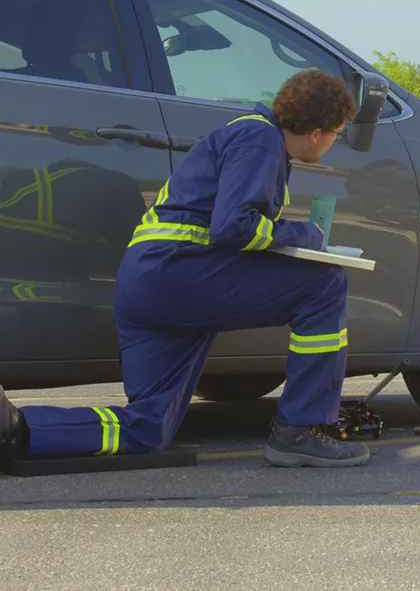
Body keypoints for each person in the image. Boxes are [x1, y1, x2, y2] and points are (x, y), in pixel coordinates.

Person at [0, 68, 369, 468]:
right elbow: (233, 226)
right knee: (325, 283)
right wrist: (308, 235)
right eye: (338, 133)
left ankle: (15, 427)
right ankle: (301, 429)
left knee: (145, 429)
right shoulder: (261, 138)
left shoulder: (247, 134)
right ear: (318, 131)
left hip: (150, 283)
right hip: (180, 273)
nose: (334, 142)